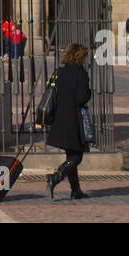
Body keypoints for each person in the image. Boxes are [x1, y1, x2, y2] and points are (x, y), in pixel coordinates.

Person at [44, 42, 92, 200]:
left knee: (70, 154)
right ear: (80, 58)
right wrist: (89, 92)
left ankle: (76, 189)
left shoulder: (59, 72)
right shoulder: (80, 73)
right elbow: (81, 98)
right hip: (74, 119)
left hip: (60, 117)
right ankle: (56, 177)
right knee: (76, 157)